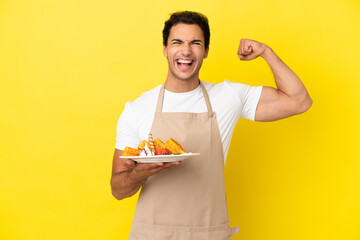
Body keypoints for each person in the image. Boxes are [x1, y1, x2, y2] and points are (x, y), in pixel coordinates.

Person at [111, 11, 312, 240]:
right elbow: (118, 189)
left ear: (206, 51)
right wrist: (140, 172)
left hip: (208, 234)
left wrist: (266, 53)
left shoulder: (228, 97)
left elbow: (299, 101)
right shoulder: (137, 108)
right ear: (165, 49)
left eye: (195, 43)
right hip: (151, 235)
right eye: (177, 42)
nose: (186, 50)